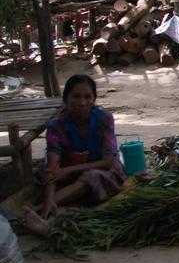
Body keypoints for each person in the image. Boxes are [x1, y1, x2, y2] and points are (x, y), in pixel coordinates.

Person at [23, 74, 126, 236]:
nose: (82, 103)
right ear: (66, 99)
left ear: (94, 100)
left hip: (105, 174)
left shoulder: (104, 119)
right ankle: (48, 212)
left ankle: (38, 210)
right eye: (76, 96)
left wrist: (69, 170)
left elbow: (107, 162)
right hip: (70, 178)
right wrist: (49, 198)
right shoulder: (56, 126)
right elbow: (52, 168)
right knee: (46, 178)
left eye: (87, 97)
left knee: (91, 176)